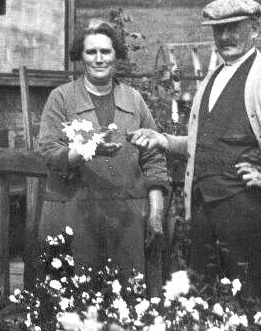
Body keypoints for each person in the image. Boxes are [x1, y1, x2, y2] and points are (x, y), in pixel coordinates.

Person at [129, 0, 261, 298]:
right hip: (203, 211)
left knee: (254, 303)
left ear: (253, 28)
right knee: (204, 305)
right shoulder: (211, 79)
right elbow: (208, 144)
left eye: (233, 27)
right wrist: (165, 141)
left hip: (249, 211)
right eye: (218, 29)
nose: (224, 36)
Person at [38, 20, 170, 290]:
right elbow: (50, 152)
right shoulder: (61, 98)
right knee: (79, 297)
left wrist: (155, 214)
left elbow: (154, 159)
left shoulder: (134, 100)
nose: (99, 59)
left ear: (116, 55)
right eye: (91, 52)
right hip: (77, 213)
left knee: (130, 299)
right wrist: (88, 150)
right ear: (80, 57)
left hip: (128, 217)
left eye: (106, 52)